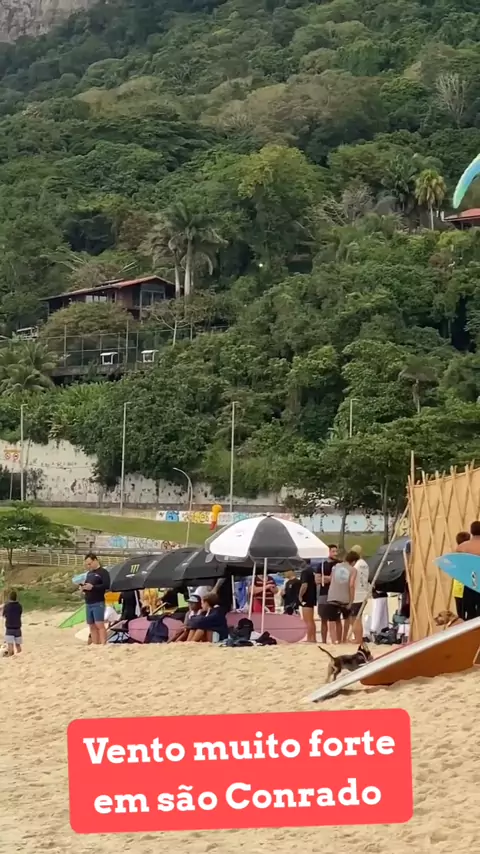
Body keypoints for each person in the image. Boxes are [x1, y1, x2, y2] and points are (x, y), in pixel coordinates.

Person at [325, 551, 357, 644]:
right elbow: (351, 585)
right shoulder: (353, 570)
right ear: (353, 561)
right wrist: (351, 600)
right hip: (344, 598)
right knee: (346, 619)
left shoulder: (335, 567)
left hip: (332, 596)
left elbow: (331, 579)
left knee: (332, 620)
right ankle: (343, 639)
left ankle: (334, 640)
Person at [82, 553, 111, 645]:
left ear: (95, 560)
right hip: (88, 601)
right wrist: (83, 588)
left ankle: (103, 643)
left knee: (99, 624)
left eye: (90, 563)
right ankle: (95, 644)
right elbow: (87, 585)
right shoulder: (89, 573)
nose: (89, 566)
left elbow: (107, 585)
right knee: (91, 625)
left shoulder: (103, 572)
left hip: (98, 601)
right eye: (87, 564)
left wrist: (93, 587)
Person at [314, 544, 338, 643]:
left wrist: (325, 578)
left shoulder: (338, 564)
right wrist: (329, 578)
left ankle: (337, 639)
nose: (335, 553)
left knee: (336, 619)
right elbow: (317, 580)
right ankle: (324, 641)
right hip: (323, 593)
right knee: (323, 618)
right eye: (333, 551)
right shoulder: (321, 565)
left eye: (336, 551)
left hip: (335, 594)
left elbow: (336, 579)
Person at [456, 523, 480, 620]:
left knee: (470, 612)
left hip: (469, 582)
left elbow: (458, 565)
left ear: (471, 531)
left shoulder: (462, 547)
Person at [349, 544, 370, 643]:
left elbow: (352, 582)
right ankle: (358, 638)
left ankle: (358, 638)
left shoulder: (356, 566)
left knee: (355, 618)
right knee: (358, 617)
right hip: (364, 593)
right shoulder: (364, 564)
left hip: (357, 594)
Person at [299, 562, 318, 642]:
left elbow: (304, 585)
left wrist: (300, 595)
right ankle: (313, 638)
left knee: (307, 620)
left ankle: (309, 638)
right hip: (312, 596)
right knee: (311, 620)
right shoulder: (312, 571)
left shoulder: (305, 572)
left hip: (307, 597)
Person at [453, 531, 470, 618]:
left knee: (461, 616)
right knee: (472, 615)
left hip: (458, 589)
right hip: (469, 589)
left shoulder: (455, 556)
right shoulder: (470, 555)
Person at [2, 589, 22, 656]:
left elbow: (4, 615)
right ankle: (19, 656)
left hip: (9, 628)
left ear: (9, 597)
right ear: (16, 597)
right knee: (18, 646)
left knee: (10, 646)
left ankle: (10, 655)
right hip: (17, 628)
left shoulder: (7, 606)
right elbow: (20, 613)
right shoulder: (19, 606)